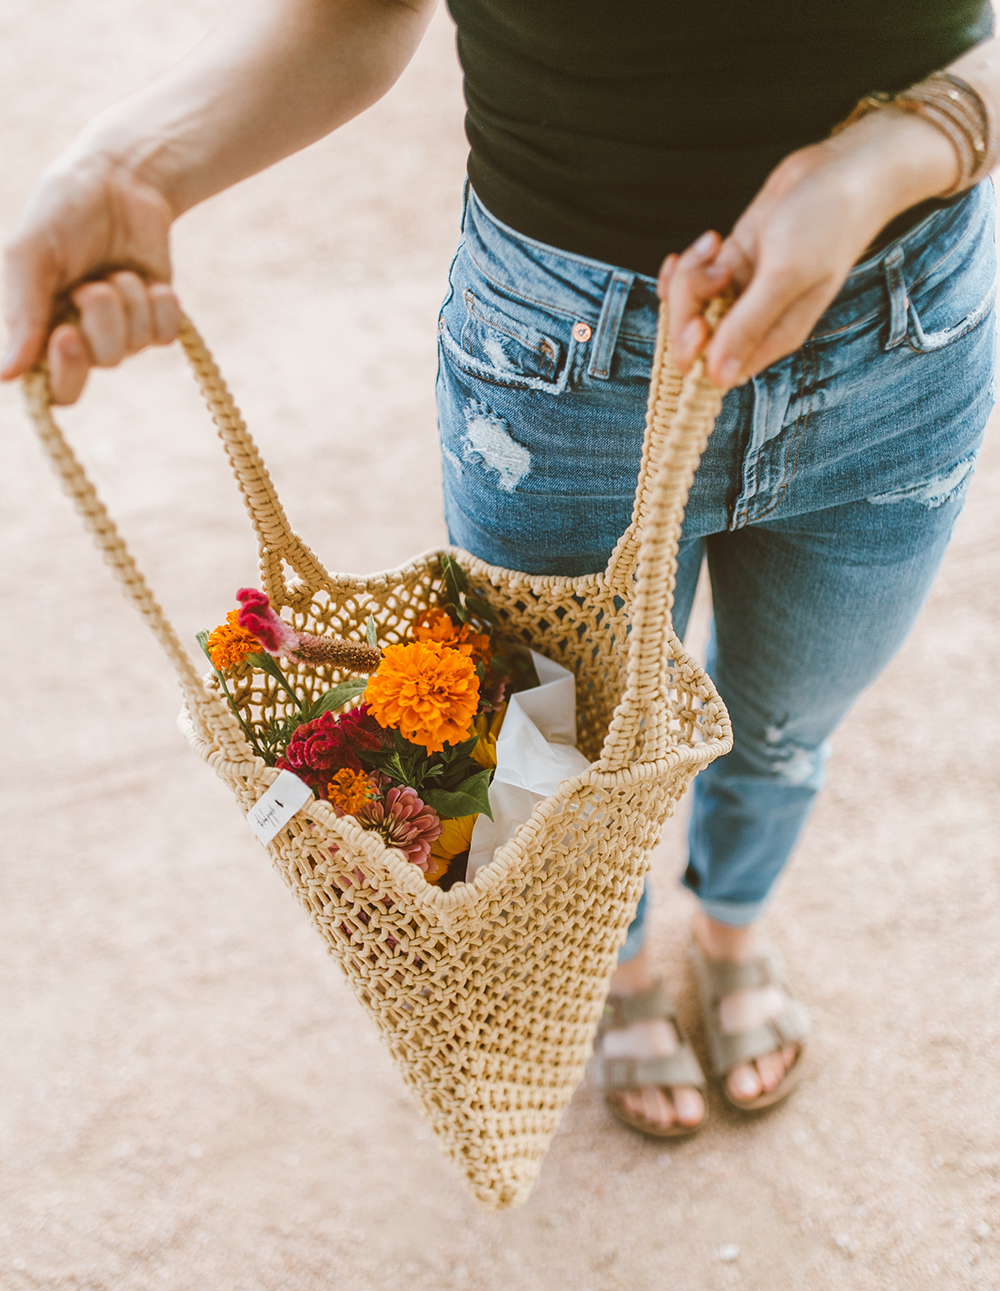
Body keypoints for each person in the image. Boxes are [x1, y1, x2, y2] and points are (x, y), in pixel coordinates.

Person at [3, 0, 997, 1137]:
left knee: (786, 724)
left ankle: (732, 925)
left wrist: (906, 144)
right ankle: (607, 967)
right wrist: (130, 164)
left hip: (904, 344)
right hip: (561, 379)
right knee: (550, 772)